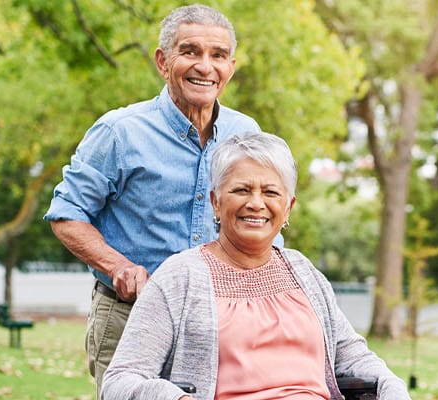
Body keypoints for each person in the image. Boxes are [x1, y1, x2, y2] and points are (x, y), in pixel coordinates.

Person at [43, 4, 260, 390]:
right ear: (163, 61)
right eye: (190, 52)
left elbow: (262, 219)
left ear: (231, 67)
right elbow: (66, 213)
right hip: (130, 316)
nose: (205, 67)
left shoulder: (246, 135)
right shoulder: (119, 132)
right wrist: (117, 266)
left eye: (218, 56)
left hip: (219, 320)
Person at [101, 132, 408, 400]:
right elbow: (119, 382)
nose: (256, 203)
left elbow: (353, 356)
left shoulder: (303, 272)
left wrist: (391, 387)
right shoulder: (179, 277)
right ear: (216, 202)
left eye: (270, 192)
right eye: (241, 190)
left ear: (288, 207)